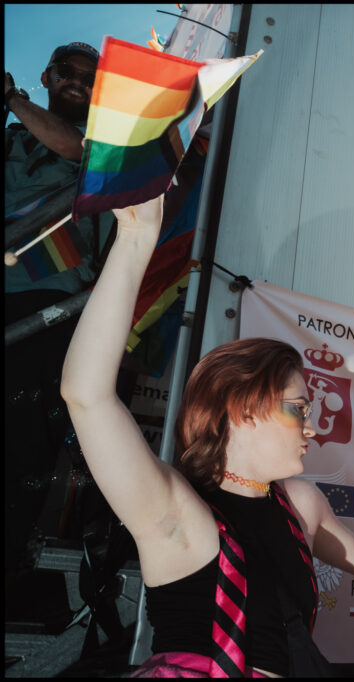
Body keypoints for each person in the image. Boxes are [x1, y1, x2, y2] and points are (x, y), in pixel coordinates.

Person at [61, 195, 354, 678]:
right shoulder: (177, 512)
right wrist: (135, 239)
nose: (314, 426)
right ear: (242, 408)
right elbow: (87, 395)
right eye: (298, 409)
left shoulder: (299, 502)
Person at [4, 41, 118, 581]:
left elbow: (73, 150)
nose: (77, 81)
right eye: (67, 72)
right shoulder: (10, 141)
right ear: (48, 76)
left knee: (28, 435)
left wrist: (11, 98)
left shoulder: (106, 139)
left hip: (54, 298)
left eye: (88, 77)